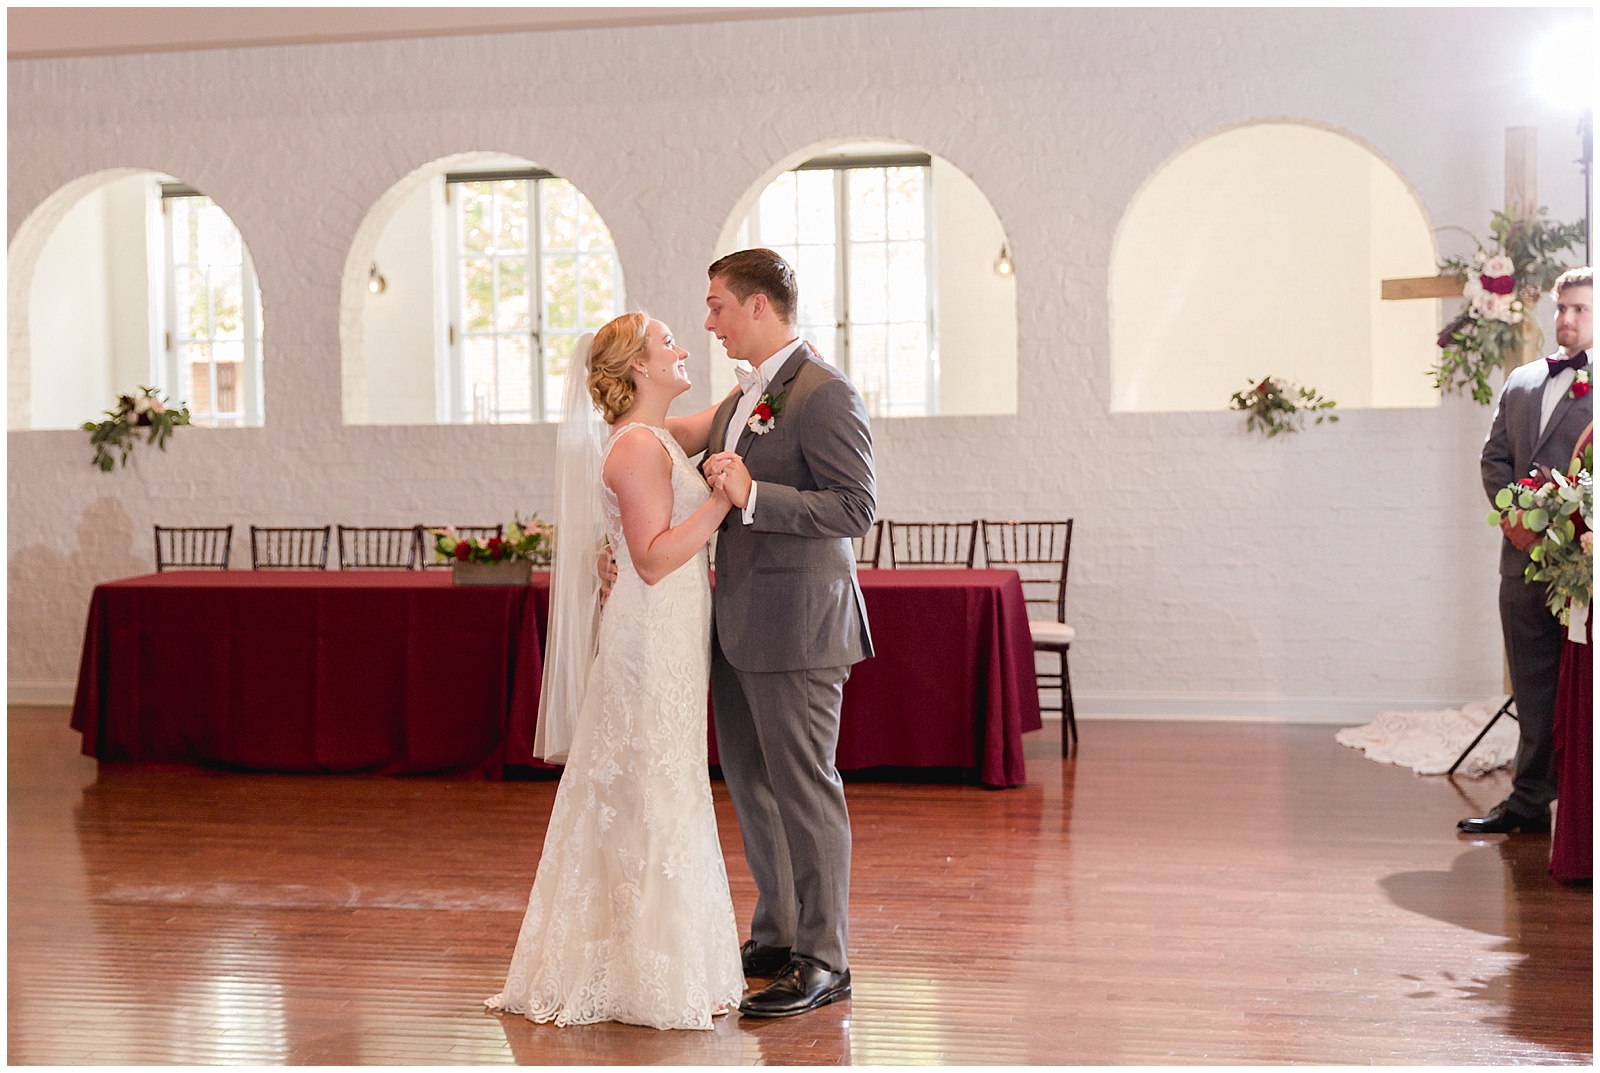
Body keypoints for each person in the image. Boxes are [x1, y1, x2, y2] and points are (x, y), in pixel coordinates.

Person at [485, 312, 745, 1030]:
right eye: (668, 343)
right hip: (650, 632)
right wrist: (724, 500)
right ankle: (643, 973)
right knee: (646, 788)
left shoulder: (657, 434)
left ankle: (665, 959)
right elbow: (656, 558)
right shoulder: (634, 448)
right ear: (637, 365)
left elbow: (721, 417)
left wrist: (763, 377)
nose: (683, 347)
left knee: (665, 782)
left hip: (671, 635)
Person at [699, 248, 877, 1018]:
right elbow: (674, 445)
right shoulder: (740, 398)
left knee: (805, 788)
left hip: (801, 626)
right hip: (739, 623)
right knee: (751, 783)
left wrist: (755, 494)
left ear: (759, 308)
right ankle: (776, 934)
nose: (709, 322)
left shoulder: (824, 393)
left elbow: (854, 508)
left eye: (718, 306)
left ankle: (824, 956)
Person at [1465, 266, 1593, 835]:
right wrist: (1516, 519)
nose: (1564, 319)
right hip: (1520, 563)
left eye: (1579, 310)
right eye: (1561, 308)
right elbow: (1495, 460)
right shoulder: (1520, 381)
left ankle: (1585, 814)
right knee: (1534, 685)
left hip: (1584, 568)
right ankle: (1529, 803)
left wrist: (1570, 529)